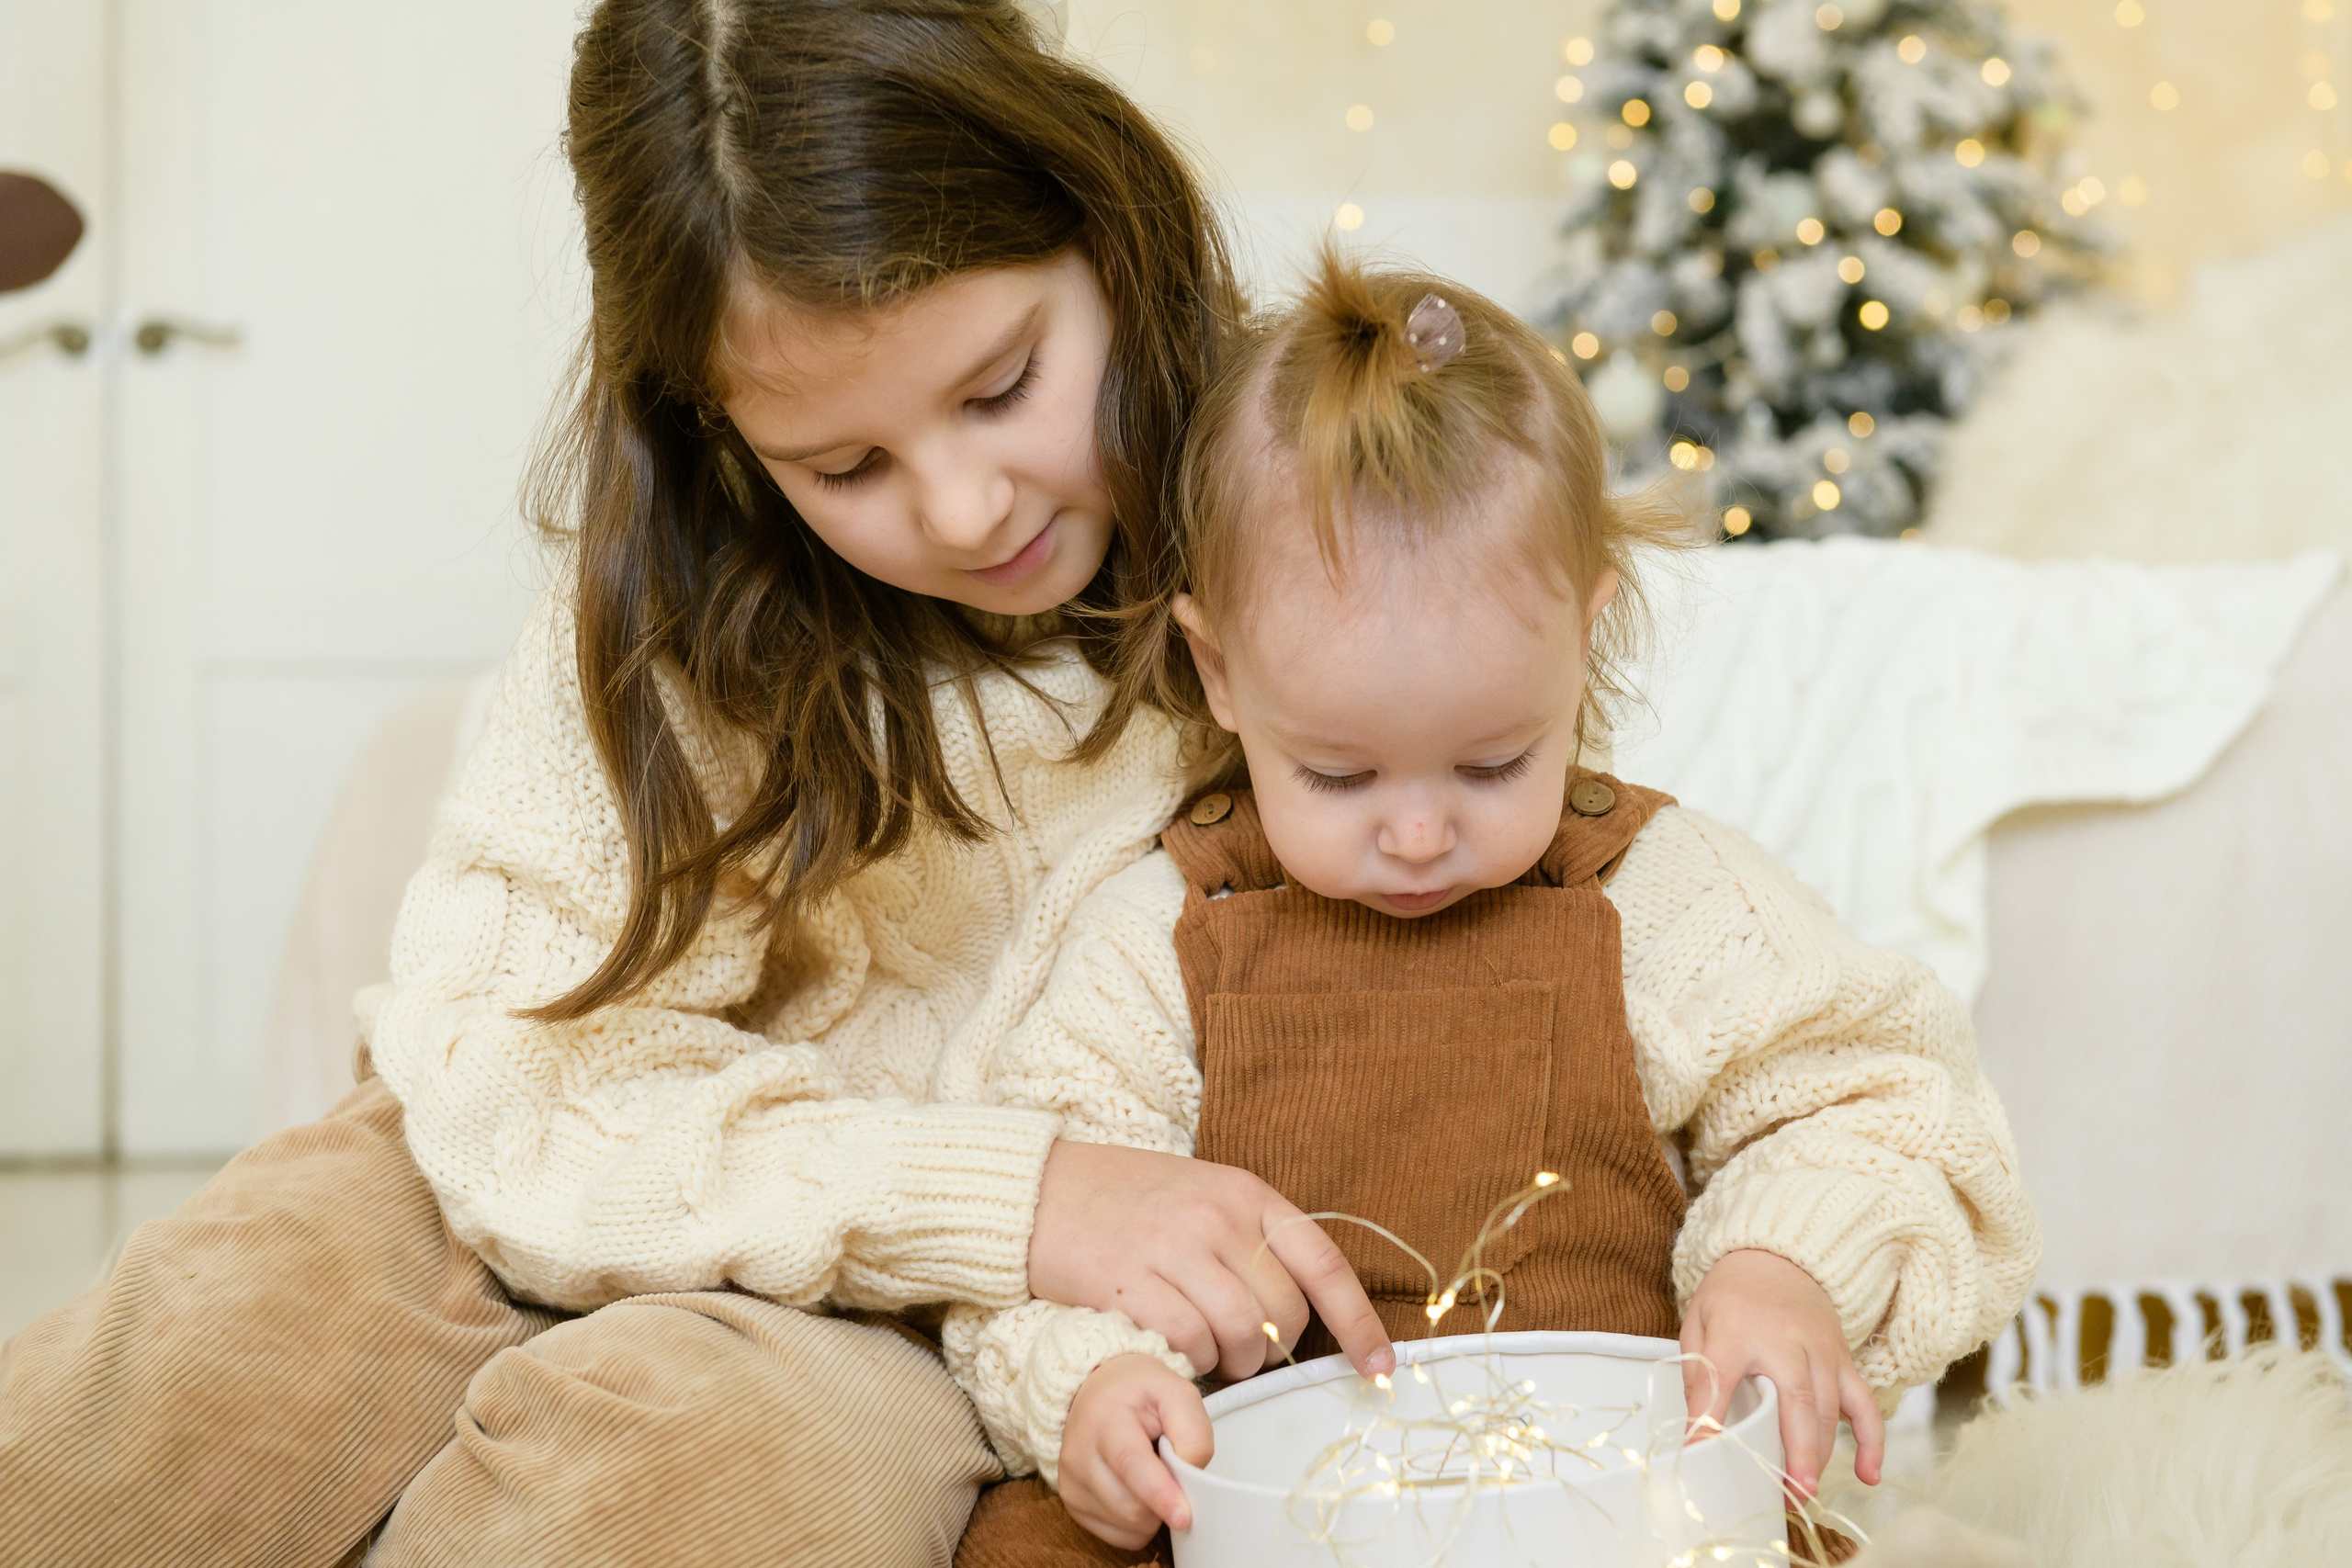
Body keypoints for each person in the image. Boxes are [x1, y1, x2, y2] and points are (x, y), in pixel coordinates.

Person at [0, 6, 1394, 1564]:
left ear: (1110, 227)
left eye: (1003, 386)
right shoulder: (678, 614)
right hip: (565, 1160)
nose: (962, 504)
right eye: (843, 468)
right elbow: (511, 1077)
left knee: (665, 1474)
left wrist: (1034, 1218)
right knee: (175, 1379)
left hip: (929, 1317)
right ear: (720, 437)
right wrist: (1018, 1189)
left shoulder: (1310, 514)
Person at [949, 254, 2041, 1563]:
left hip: (1621, 1517)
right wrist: (1094, 1390)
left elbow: (1884, 1103)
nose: (1418, 835)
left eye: (1492, 764)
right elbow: (1031, 1242)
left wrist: (1783, 1267)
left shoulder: (1664, 897)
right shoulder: (1154, 939)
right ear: (1219, 671)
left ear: (1584, 640)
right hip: (1267, 1528)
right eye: (1338, 774)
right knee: (1028, 1541)